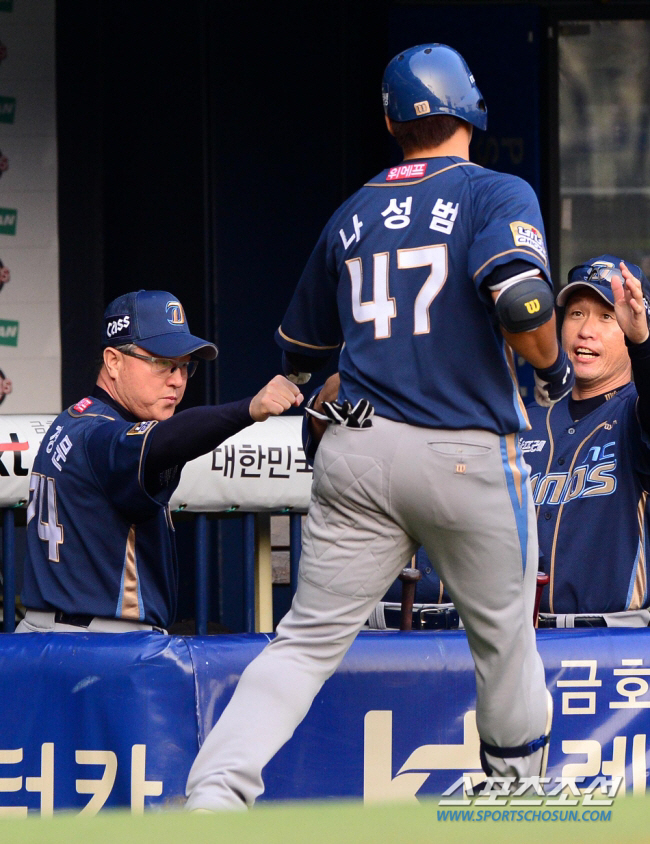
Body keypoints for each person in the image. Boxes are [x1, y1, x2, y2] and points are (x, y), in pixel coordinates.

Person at [185, 43, 573, 810]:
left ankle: (214, 795)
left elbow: (299, 350)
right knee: (503, 642)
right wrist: (554, 370)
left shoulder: (353, 212)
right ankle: (515, 797)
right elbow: (523, 303)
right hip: (465, 453)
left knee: (302, 645)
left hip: (358, 453)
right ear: (471, 107)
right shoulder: (495, 192)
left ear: (391, 120)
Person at [17, 289, 302, 633]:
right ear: (113, 361)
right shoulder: (101, 435)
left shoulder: (72, 420)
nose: (177, 380)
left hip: (43, 637)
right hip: (103, 646)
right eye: (161, 363)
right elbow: (164, 441)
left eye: (184, 367)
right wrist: (248, 409)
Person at [524, 255, 650, 627]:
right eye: (577, 313)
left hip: (614, 641)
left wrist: (643, 344)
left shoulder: (635, 413)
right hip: (525, 638)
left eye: (607, 317)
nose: (586, 330)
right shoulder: (526, 421)